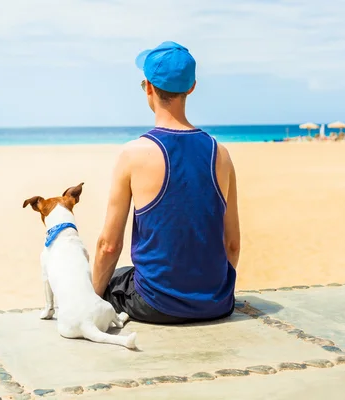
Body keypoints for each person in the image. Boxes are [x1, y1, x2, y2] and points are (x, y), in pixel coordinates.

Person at [91, 41, 240, 325]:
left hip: (155, 304)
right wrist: (211, 295)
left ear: (148, 87)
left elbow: (108, 246)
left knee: (113, 278)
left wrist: (92, 301)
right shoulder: (220, 153)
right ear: (192, 87)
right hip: (217, 302)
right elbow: (232, 245)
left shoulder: (133, 153)